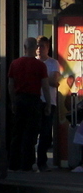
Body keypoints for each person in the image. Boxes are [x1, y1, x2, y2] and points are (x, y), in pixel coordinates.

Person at [7, 37, 49, 171]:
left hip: (19, 99)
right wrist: (48, 103)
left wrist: (13, 101)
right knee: (30, 134)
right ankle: (27, 163)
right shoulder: (40, 65)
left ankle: (13, 163)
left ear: (24, 48)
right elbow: (45, 86)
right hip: (34, 101)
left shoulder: (15, 63)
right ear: (35, 48)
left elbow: (10, 84)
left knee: (17, 132)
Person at [37, 36, 61, 170]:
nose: (39, 49)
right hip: (36, 100)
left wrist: (39, 79)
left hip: (49, 101)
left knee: (46, 133)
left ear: (48, 48)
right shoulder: (33, 62)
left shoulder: (53, 63)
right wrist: (47, 80)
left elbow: (55, 81)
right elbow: (51, 81)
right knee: (34, 132)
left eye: (42, 46)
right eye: (38, 46)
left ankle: (42, 161)